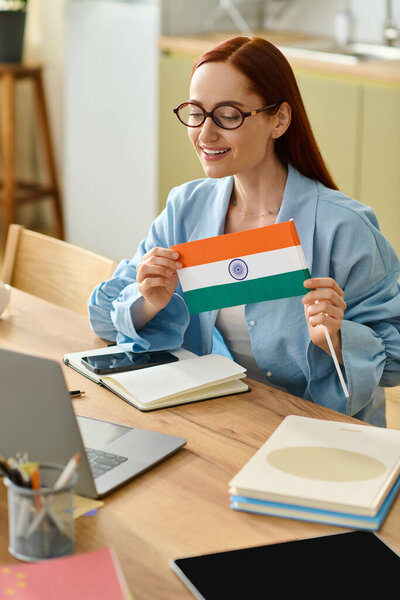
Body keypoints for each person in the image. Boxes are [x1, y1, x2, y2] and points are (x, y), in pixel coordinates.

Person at [88, 36, 400, 427]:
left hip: (320, 435)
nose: (205, 134)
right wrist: (147, 300)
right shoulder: (186, 208)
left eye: (228, 115)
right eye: (196, 112)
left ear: (279, 120)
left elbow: (395, 360)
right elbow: (102, 317)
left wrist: (337, 339)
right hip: (216, 421)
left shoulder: (345, 228)